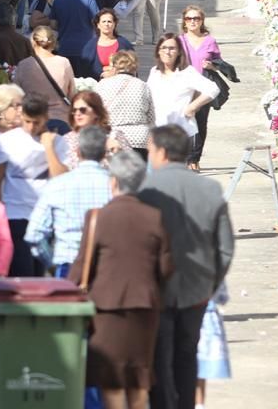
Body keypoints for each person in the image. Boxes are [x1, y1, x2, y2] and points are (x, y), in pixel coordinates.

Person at [138, 125, 235, 409]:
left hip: (157, 288)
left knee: (159, 356)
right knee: (187, 354)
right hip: (197, 288)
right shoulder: (209, 189)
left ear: (162, 152)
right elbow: (225, 247)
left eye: (151, 149)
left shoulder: (146, 190)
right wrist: (210, 281)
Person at [71, 148, 175, 409]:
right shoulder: (155, 217)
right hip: (144, 309)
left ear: (113, 181)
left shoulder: (98, 218)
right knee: (139, 382)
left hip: (106, 310)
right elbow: (166, 268)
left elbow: (83, 266)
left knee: (113, 384)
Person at [0, 94, 71, 276]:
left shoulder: (57, 142)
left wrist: (49, 148)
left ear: (46, 119)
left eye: (37, 122)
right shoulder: (7, 140)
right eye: (27, 121)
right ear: (21, 116)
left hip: (44, 217)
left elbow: (61, 178)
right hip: (14, 214)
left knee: (38, 274)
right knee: (22, 273)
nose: (31, 127)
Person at [25, 127, 113, 277]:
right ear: (104, 153)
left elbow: (34, 235)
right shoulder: (114, 186)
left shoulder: (58, 184)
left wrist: (52, 262)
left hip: (67, 264)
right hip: (105, 267)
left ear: (78, 152)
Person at [147, 34, 220, 171]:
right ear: (158, 50)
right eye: (163, 48)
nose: (167, 52)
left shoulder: (187, 73)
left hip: (180, 133)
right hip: (157, 132)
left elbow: (213, 88)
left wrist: (193, 106)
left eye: (172, 48)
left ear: (179, 51)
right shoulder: (154, 72)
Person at [178, 5, 221, 166]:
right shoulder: (179, 41)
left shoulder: (210, 41)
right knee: (184, 122)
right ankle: (184, 156)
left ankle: (194, 158)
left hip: (204, 87)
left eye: (196, 18)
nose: (193, 21)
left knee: (200, 123)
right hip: (184, 88)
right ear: (184, 21)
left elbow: (219, 63)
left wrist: (212, 66)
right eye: (189, 18)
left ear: (202, 21)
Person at [94, 50, 157, 156]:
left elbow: (96, 112)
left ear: (114, 67)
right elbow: (151, 118)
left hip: (113, 139)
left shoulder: (103, 84)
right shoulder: (143, 86)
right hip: (139, 139)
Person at [11, 26, 75, 129]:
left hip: (33, 121)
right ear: (53, 42)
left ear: (33, 42)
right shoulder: (64, 63)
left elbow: (15, 97)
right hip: (61, 120)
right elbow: (71, 94)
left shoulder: (23, 65)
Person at [48, 0, 100, 77]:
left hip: (65, 47)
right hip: (86, 48)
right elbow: (96, 22)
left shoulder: (59, 0)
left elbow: (53, 24)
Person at [62, 90, 120, 168]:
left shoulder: (113, 135)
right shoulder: (67, 139)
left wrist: (117, 152)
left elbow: (130, 168)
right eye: (74, 110)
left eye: (82, 110)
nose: (78, 114)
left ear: (96, 112)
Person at [196, 284, 231, 408]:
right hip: (204, 315)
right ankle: (199, 404)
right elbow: (223, 297)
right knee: (199, 368)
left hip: (172, 311)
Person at [82, 7, 134, 80]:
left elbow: (132, 69)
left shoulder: (125, 44)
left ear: (114, 24)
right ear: (98, 25)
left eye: (109, 21)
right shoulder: (89, 46)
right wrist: (102, 74)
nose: (106, 24)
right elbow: (84, 70)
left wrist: (115, 73)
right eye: (103, 21)